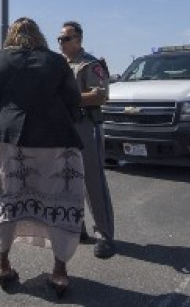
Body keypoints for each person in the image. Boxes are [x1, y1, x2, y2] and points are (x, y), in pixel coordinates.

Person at [0, 17, 84, 297]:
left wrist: (1, 119)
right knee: (61, 199)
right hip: (54, 137)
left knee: (7, 197)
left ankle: (3, 265)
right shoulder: (56, 61)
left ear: (11, 37)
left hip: (9, 137)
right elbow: (73, 100)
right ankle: (60, 272)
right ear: (40, 36)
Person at [58, 20, 116, 259]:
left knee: (93, 182)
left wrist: (68, 98)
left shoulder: (90, 64)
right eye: (59, 39)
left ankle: (104, 234)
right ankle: (77, 227)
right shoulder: (60, 65)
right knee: (68, 181)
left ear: (79, 40)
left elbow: (100, 95)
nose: (61, 43)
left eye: (66, 39)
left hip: (85, 125)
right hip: (64, 126)